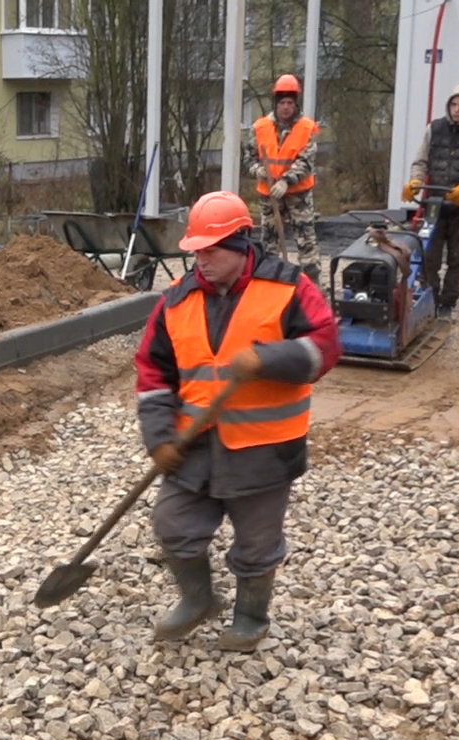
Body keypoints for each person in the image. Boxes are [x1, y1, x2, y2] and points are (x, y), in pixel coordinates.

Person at [131, 190, 342, 651]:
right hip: (196, 445)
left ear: (241, 243)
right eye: (196, 251)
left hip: (264, 449)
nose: (200, 261)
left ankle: (250, 615)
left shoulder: (288, 287)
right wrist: (160, 437)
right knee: (173, 524)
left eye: (210, 250)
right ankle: (198, 599)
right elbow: (152, 374)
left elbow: (325, 347)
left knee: (257, 541)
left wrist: (271, 358)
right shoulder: (175, 302)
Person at [402, 84, 459, 318]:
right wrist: (414, 181)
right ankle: (428, 298)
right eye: (454, 104)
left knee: (458, 258)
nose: (457, 110)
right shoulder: (434, 129)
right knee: (427, 256)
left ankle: (447, 305)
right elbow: (420, 162)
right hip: (434, 205)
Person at [245, 74, 321, 279]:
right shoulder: (260, 128)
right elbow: (249, 159)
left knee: (306, 244)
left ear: (295, 104)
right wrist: (258, 171)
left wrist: (286, 181)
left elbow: (305, 161)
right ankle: (270, 285)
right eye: (282, 103)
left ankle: (312, 289)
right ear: (275, 104)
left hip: (298, 195)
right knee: (269, 244)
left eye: (290, 103)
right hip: (269, 195)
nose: (286, 107)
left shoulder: (307, 128)